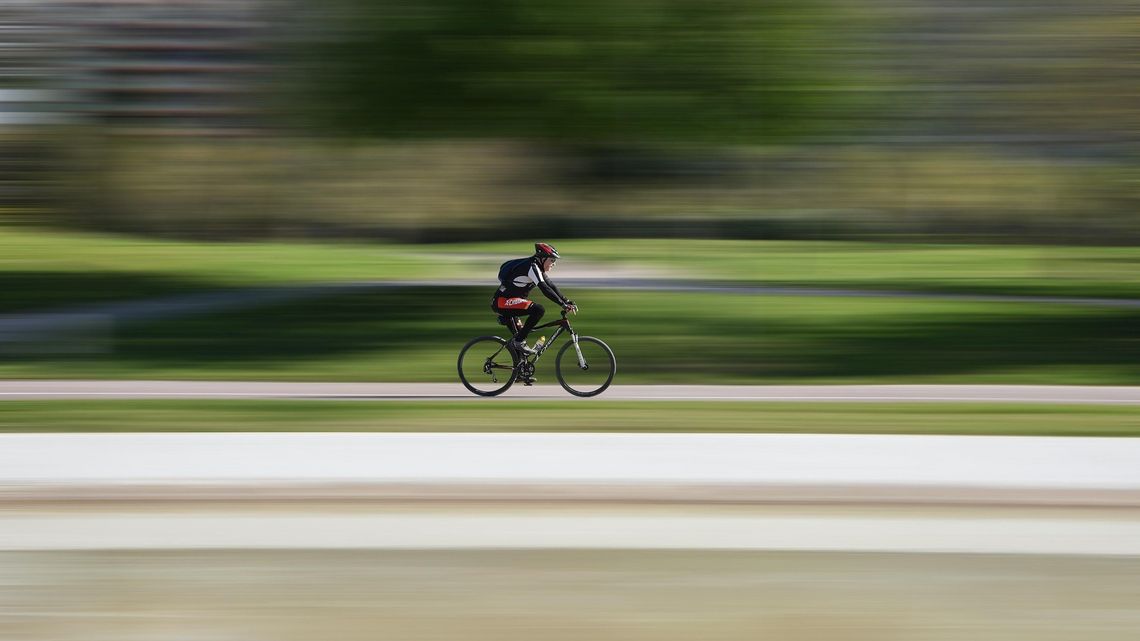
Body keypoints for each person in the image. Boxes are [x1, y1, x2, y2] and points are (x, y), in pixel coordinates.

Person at [491, 242, 578, 357]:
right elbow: (544, 289)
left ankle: (521, 371)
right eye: (552, 260)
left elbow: (551, 285)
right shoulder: (532, 267)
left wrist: (566, 301)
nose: (554, 264)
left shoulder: (537, 268)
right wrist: (562, 305)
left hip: (509, 302)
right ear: (542, 259)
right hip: (502, 302)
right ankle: (519, 341)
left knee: (521, 350)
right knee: (538, 310)